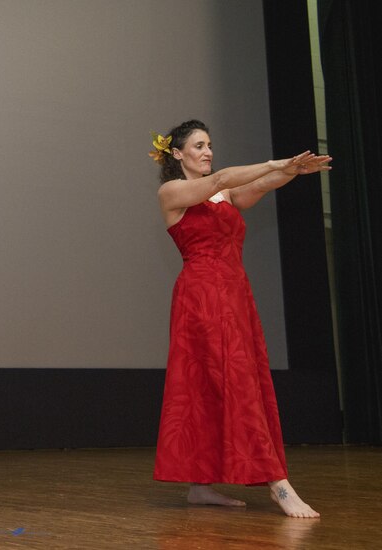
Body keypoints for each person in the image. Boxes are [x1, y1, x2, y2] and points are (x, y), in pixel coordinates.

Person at [151, 120, 330, 519]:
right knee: (233, 383)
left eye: (210, 144)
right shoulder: (173, 192)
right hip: (203, 297)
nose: (208, 150)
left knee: (212, 387)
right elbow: (225, 177)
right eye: (198, 145)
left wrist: (289, 171)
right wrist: (275, 160)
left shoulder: (225, 194)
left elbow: (257, 187)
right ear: (177, 154)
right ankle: (278, 485)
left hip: (234, 295)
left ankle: (200, 486)